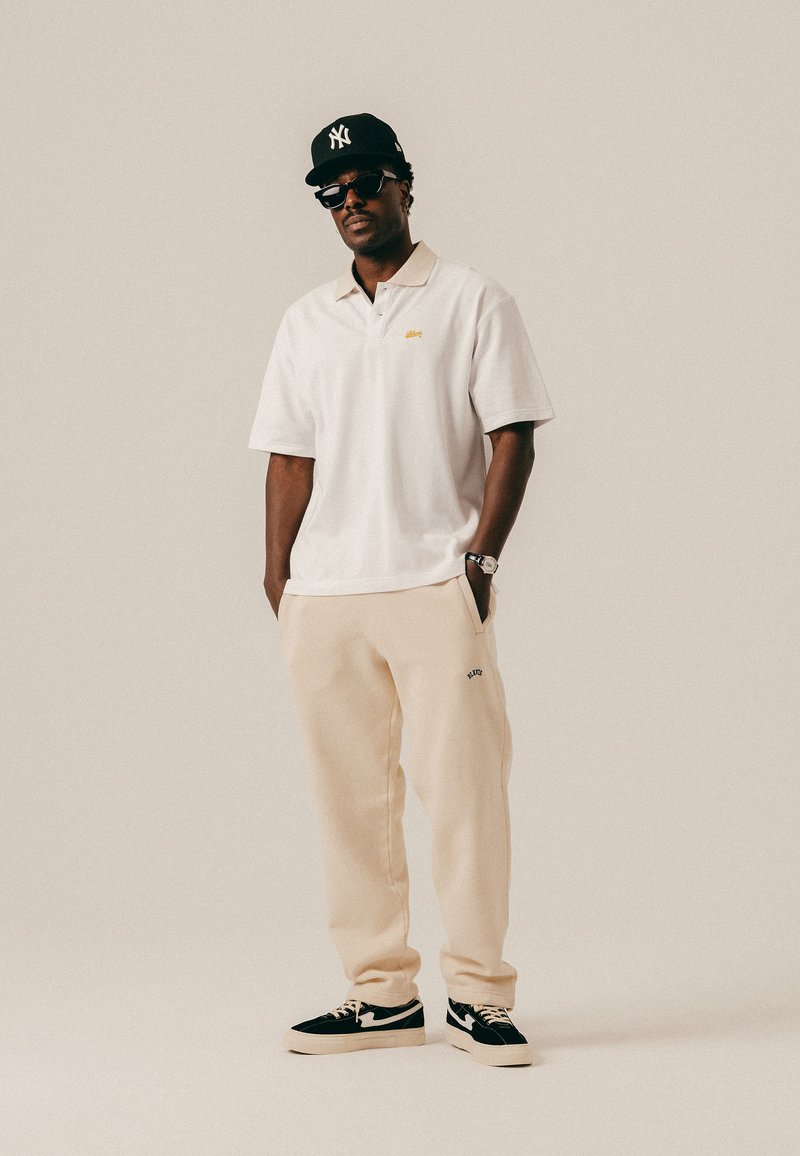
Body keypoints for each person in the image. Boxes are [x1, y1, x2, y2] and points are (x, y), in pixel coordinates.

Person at [248, 113, 556, 1067]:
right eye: (331, 191)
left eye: (366, 182)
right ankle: (380, 993)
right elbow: (289, 456)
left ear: (405, 185)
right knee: (349, 802)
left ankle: (479, 994)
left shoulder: (472, 300)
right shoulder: (308, 319)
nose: (350, 201)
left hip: (433, 584)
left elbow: (513, 434)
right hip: (327, 596)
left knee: (465, 796)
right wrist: (280, 575)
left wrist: (482, 560)